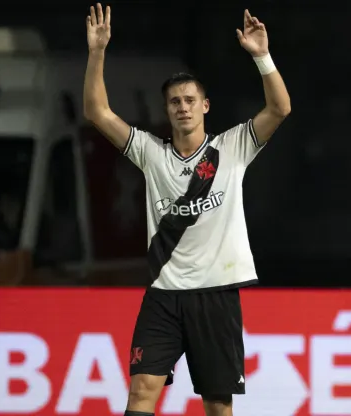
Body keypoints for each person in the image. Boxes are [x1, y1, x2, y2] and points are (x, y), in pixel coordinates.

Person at [82, 3, 291, 416]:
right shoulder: (149, 152)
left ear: (205, 106)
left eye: (190, 100)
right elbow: (96, 112)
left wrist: (261, 56)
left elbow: (280, 109)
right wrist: (97, 51)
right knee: (141, 390)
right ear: (167, 110)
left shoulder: (231, 149)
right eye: (175, 101)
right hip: (163, 295)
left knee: (216, 404)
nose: (183, 106)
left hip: (215, 294)